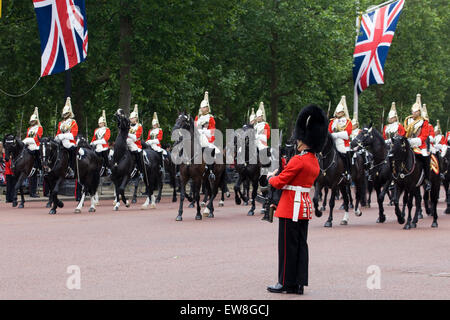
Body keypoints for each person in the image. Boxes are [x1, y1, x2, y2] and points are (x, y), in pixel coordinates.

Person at [266, 104, 328, 295]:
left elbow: (280, 182)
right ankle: (299, 283)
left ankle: (285, 283)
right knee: (301, 245)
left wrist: (270, 176)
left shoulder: (298, 160)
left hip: (290, 206)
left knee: (286, 247)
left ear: (302, 141)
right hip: (304, 207)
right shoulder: (314, 161)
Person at [404, 94, 431, 191]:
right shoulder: (408, 120)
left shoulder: (424, 122)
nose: (414, 113)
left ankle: (427, 180)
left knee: (426, 158)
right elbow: (404, 132)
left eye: (416, 111)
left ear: (419, 112)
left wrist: (413, 142)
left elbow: (424, 136)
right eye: (413, 111)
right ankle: (395, 177)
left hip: (419, 146)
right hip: (407, 143)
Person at [195, 91, 220, 179]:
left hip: (207, 138)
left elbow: (212, 131)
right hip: (198, 138)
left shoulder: (210, 118)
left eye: (205, 107)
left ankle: (210, 171)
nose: (203, 109)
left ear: (207, 108)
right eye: (202, 107)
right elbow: (195, 128)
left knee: (210, 150)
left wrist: (205, 131)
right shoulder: (197, 118)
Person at [328, 96, 352, 180]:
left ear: (343, 112)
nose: (338, 114)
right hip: (333, 142)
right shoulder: (332, 121)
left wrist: (336, 135)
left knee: (346, 154)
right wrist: (331, 136)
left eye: (340, 112)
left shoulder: (348, 121)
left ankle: (348, 172)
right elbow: (329, 131)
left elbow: (347, 133)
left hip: (343, 143)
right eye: (337, 112)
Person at [55, 97, 79, 179]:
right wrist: (57, 137)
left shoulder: (73, 122)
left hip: (70, 142)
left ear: (69, 113)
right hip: (61, 142)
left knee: (72, 151)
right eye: (64, 113)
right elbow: (58, 132)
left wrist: (63, 136)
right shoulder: (60, 123)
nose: (65, 115)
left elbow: (74, 134)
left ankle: (72, 169)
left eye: (66, 113)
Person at [91, 110, 112, 176]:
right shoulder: (96, 130)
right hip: (97, 147)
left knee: (105, 157)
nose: (99, 124)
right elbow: (94, 138)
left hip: (104, 147)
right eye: (99, 123)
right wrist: (91, 142)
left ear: (103, 123)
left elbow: (105, 139)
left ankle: (108, 169)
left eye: (101, 123)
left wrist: (95, 142)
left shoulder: (107, 129)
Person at [254, 102, 271, 179]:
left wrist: (258, 137)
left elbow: (267, 135)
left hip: (261, 142)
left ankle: (265, 168)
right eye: (257, 117)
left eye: (259, 116)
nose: (258, 118)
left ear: (262, 117)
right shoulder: (255, 125)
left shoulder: (265, 124)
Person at [127, 104, 145, 176]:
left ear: (136, 118)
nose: (131, 119)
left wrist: (127, 134)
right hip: (127, 142)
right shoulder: (128, 126)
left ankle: (139, 168)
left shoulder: (139, 126)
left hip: (136, 144)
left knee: (137, 152)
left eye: (132, 118)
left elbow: (136, 137)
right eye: (130, 118)